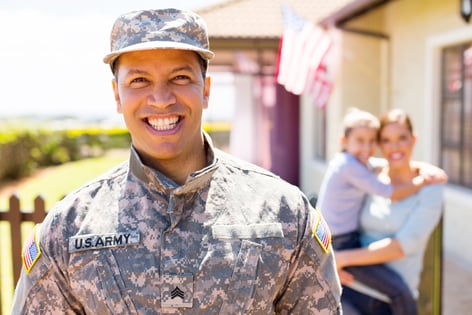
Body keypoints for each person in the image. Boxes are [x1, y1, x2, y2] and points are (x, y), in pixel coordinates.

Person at [11, 8, 342, 314]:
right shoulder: (68, 229)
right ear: (117, 95)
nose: (161, 99)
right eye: (139, 81)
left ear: (206, 89)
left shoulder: (284, 212)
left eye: (180, 78)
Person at [316, 107, 442, 315]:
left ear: (413, 138)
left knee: (401, 291)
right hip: (347, 285)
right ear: (344, 141)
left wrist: (340, 259)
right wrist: (332, 259)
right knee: (399, 291)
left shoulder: (429, 190)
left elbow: (400, 247)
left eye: (401, 138)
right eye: (386, 140)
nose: (394, 146)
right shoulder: (366, 173)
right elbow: (389, 185)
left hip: (385, 300)